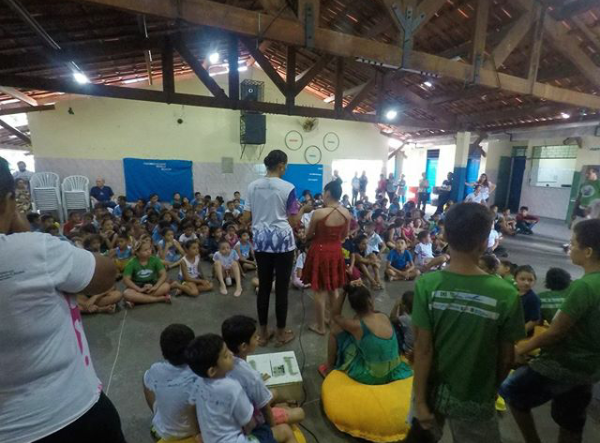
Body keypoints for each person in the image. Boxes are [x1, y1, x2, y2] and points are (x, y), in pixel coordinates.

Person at [0, 157, 126, 442]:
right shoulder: (33, 250)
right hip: (68, 413)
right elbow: (106, 275)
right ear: (9, 201)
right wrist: (25, 232)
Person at [412, 202, 526, 442]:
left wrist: (420, 401)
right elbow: (507, 357)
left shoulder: (427, 285)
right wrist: (490, 390)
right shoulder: (506, 293)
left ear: (444, 237)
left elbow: (422, 349)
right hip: (477, 396)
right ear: (485, 243)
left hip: (432, 391)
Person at [500, 219, 600, 443]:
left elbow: (556, 332)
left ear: (588, 252)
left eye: (573, 244)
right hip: (590, 367)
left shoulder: (584, 286)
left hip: (564, 363)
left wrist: (522, 348)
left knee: (512, 391)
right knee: (571, 421)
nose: (569, 247)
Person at [242, 150, 311, 347]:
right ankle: (281, 333)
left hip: (261, 242)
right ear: (281, 165)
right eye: (285, 165)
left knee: (264, 287)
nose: (286, 168)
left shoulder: (252, 186)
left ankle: (263, 333)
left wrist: (262, 219)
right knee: (281, 289)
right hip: (283, 244)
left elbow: (246, 218)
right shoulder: (288, 188)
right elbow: (293, 221)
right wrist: (304, 210)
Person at [185, 334, 299, 443]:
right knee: (285, 430)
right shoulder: (232, 387)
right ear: (212, 371)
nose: (231, 354)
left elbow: (190, 406)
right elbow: (249, 424)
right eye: (225, 355)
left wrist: (197, 434)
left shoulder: (199, 382)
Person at [319, 282, 413, 383]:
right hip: (394, 369)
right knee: (359, 337)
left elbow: (335, 315)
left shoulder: (356, 326)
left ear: (353, 307)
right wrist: (361, 287)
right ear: (370, 301)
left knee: (335, 330)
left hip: (374, 376)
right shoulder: (383, 316)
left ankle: (330, 367)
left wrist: (345, 290)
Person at [222, 315, 305, 427]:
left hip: (233, 409)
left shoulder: (222, 361)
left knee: (274, 392)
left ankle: (280, 407)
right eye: (255, 337)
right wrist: (273, 429)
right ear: (243, 346)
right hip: (247, 418)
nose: (258, 338)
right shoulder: (252, 376)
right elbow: (265, 409)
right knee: (300, 413)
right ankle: (281, 410)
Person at [302, 180, 351, 336]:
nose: (323, 195)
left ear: (328, 193)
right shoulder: (346, 213)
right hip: (336, 251)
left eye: (324, 192)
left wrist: (308, 236)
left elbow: (309, 235)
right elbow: (344, 235)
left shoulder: (319, 213)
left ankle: (321, 327)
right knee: (333, 289)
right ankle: (334, 321)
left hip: (320, 252)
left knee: (319, 291)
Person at [143, 324, 200, 442]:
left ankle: (159, 414)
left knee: (146, 378)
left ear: (163, 352)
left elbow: (147, 379)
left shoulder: (156, 369)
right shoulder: (199, 374)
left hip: (161, 433)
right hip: (193, 434)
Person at [123, 240, 172, 307]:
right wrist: (139, 289)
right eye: (145, 250)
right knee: (126, 293)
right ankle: (159, 299)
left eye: (149, 249)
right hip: (137, 287)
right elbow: (126, 280)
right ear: (137, 253)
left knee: (166, 286)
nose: (149, 251)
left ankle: (138, 300)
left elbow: (164, 274)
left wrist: (155, 287)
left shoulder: (155, 260)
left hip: (152, 286)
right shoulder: (131, 263)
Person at [514, 265, 541, 335]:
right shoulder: (512, 293)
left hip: (522, 335)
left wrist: (519, 333)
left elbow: (534, 320)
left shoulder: (533, 298)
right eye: (522, 279)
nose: (526, 283)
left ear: (534, 281)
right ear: (515, 279)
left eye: (530, 280)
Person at [390, 290, 415, 356]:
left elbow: (392, 319)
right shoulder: (417, 316)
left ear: (405, 306)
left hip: (407, 350)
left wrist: (396, 305)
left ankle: (399, 351)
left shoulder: (406, 318)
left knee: (393, 326)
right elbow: (401, 316)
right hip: (416, 348)